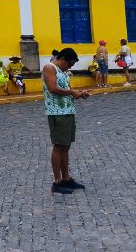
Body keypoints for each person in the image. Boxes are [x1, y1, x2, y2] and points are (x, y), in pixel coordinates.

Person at [42, 47, 90, 194]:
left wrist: (79, 94)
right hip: (57, 113)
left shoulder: (63, 71)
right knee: (58, 146)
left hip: (68, 111)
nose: (70, 67)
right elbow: (52, 88)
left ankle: (66, 178)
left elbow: (67, 89)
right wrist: (71, 92)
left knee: (66, 146)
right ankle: (57, 181)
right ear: (62, 59)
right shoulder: (49, 68)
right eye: (69, 64)